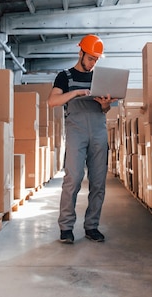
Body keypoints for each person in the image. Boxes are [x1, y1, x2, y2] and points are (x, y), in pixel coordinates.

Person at [47, 34, 116, 244]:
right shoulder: (65, 76)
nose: (93, 63)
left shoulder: (100, 78)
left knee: (98, 182)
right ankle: (66, 227)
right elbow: (52, 101)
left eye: (96, 59)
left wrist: (105, 103)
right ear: (81, 53)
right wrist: (76, 92)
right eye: (90, 58)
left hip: (98, 131)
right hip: (76, 131)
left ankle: (92, 226)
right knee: (73, 179)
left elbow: (104, 110)